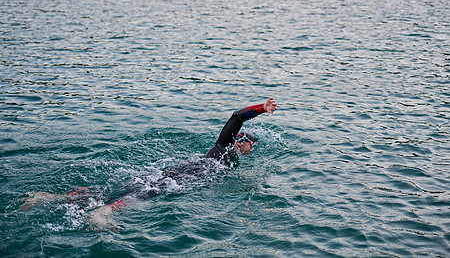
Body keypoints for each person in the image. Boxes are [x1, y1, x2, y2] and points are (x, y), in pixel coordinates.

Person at [20, 98, 278, 230]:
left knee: (121, 188)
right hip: (182, 178)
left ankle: (52, 198)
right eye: (251, 144)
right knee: (146, 194)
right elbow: (236, 117)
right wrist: (261, 108)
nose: (252, 149)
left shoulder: (225, 155)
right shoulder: (223, 146)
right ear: (241, 141)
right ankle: (103, 214)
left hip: (171, 171)